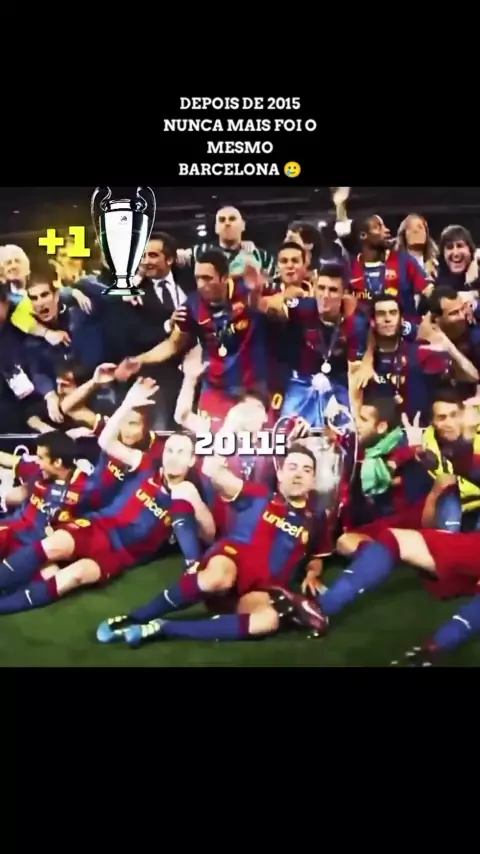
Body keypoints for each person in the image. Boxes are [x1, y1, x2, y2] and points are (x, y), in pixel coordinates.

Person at [0, 380, 215, 614]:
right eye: (170, 450)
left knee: (74, 576)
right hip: (101, 527)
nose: (173, 457)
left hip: (122, 556)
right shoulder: (145, 465)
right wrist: (128, 403)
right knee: (53, 546)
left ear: (192, 460)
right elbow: (105, 441)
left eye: (181, 453)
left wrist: (194, 502)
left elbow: (209, 535)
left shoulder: (190, 492)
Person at [96, 443, 329, 646]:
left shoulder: (317, 519)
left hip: (261, 589)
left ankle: (163, 628)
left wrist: (312, 573)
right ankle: (136, 617)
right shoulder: (259, 495)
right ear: (280, 473)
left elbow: (317, 555)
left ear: (314, 480)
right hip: (232, 560)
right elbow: (213, 471)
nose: (298, 474)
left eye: (306, 470)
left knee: (268, 621)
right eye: (292, 467)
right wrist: (232, 430)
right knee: (218, 578)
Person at [114, 249, 298, 427]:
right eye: (198, 278)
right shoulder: (193, 304)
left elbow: (282, 312)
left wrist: (258, 300)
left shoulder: (248, 290)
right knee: (211, 441)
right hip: (216, 389)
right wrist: (140, 360)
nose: (201, 284)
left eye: (207, 278)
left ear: (224, 278)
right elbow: (173, 344)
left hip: (254, 389)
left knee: (253, 444)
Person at [275, 260, 369, 427]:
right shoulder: (302, 308)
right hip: (302, 382)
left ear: (344, 293)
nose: (325, 295)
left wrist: (355, 415)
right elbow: (271, 306)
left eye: (333, 290)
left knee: (343, 431)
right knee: (286, 430)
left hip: (337, 384)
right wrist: (282, 297)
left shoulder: (355, 324)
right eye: (321, 288)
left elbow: (354, 373)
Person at [335, 397, 432, 557]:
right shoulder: (362, 449)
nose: (356, 424)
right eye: (356, 418)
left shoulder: (404, 449)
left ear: (381, 427)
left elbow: (413, 505)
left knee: (346, 543)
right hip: (375, 523)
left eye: (363, 420)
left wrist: (412, 454)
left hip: (402, 526)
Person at [0, 430, 91, 558]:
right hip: (10, 528)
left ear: (57, 462)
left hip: (32, 548)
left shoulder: (85, 490)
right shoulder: (39, 470)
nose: (37, 461)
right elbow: (7, 459)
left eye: (41, 458)